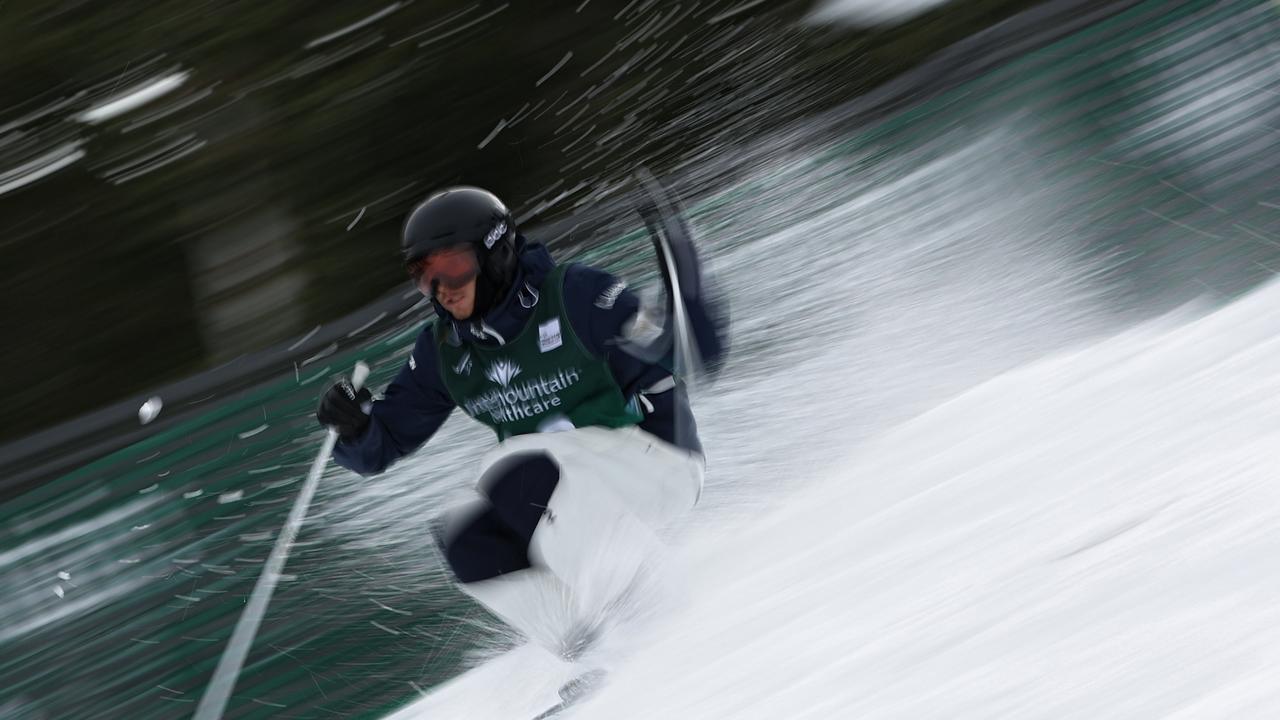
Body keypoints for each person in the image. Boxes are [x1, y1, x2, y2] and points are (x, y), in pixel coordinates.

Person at [316, 186, 727, 660]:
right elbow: (382, 443)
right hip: (566, 494)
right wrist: (352, 426)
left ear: (495, 253)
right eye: (423, 275)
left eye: (452, 266)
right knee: (465, 533)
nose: (441, 288)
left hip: (657, 461)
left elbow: (693, 352)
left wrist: (686, 280)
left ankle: (650, 611)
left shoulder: (575, 297)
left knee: (512, 467)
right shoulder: (446, 349)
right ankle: (587, 651)